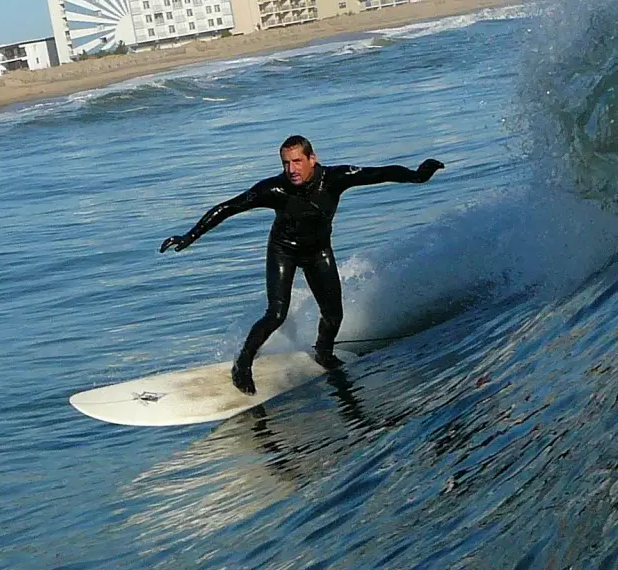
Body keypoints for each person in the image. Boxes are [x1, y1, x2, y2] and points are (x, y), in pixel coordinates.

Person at [160, 135, 444, 394]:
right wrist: (190, 236)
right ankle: (243, 363)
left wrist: (417, 176)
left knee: (334, 315)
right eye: (286, 163)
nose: (291, 169)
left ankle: (323, 352)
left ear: (312, 159)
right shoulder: (273, 189)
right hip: (283, 251)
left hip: (318, 251)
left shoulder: (335, 178)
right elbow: (228, 207)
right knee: (276, 314)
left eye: (297, 161)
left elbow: (379, 173)